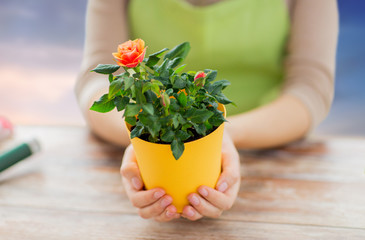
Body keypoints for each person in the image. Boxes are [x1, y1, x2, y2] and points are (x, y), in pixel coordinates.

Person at [75, 0, 338, 222]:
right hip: (149, 143)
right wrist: (142, 139)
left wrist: (224, 135)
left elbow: (311, 90)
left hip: (277, 160)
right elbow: (94, 84)